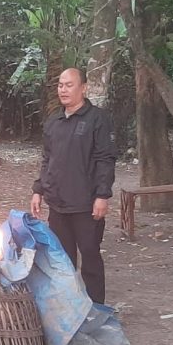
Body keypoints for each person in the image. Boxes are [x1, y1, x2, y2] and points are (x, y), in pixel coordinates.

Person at [31, 68, 117, 304]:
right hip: (58, 204)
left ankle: (96, 309)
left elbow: (105, 159)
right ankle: (68, 308)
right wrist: (38, 190)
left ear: (83, 88)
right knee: (62, 260)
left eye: (69, 85)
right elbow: (48, 159)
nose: (63, 90)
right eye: (60, 85)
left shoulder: (97, 119)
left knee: (90, 257)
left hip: (86, 204)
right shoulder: (54, 122)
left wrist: (102, 195)